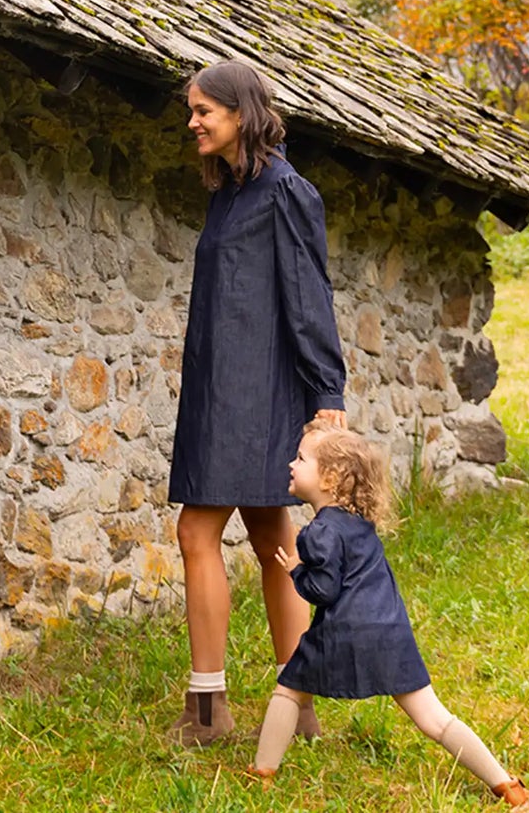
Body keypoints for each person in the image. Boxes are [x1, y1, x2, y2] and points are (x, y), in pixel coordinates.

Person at [166, 60, 349, 746]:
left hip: (258, 393)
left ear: (241, 113)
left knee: (197, 533)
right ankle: (296, 706)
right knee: (273, 537)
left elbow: (309, 298)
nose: (192, 122)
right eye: (191, 110)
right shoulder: (229, 194)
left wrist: (327, 393)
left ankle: (207, 712)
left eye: (203, 110)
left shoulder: (285, 192)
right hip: (219, 388)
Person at [247, 425, 529, 806]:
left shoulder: (318, 534)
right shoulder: (361, 524)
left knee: (288, 689)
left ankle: (262, 773)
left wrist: (296, 570)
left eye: (300, 459)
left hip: (344, 632)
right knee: (434, 718)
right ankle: (505, 784)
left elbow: (325, 592)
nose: (291, 464)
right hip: (390, 631)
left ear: (329, 479)